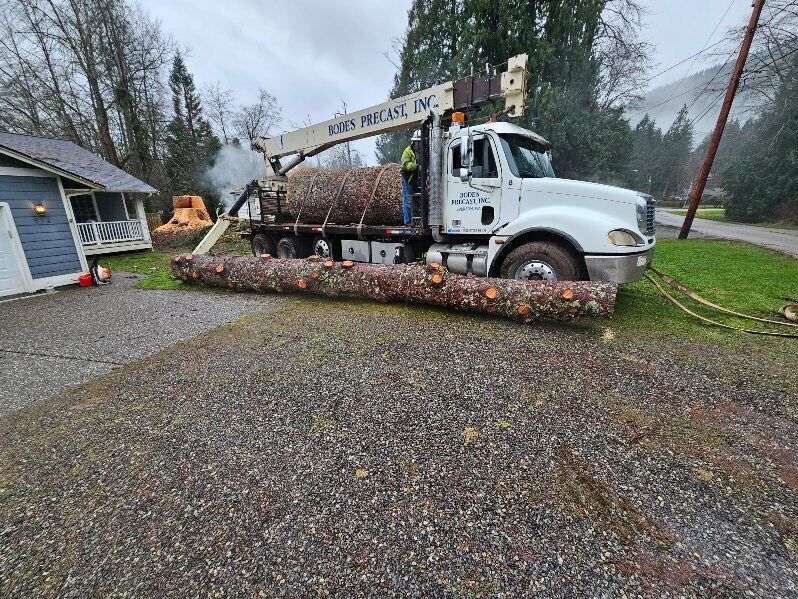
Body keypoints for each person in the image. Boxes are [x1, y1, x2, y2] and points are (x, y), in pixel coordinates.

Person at [401, 130, 421, 225]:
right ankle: (408, 221)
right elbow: (405, 165)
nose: (420, 145)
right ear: (415, 142)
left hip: (418, 179)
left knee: (418, 199)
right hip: (408, 179)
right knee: (408, 199)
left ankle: (418, 220)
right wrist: (417, 166)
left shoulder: (422, 151)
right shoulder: (407, 151)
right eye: (419, 142)